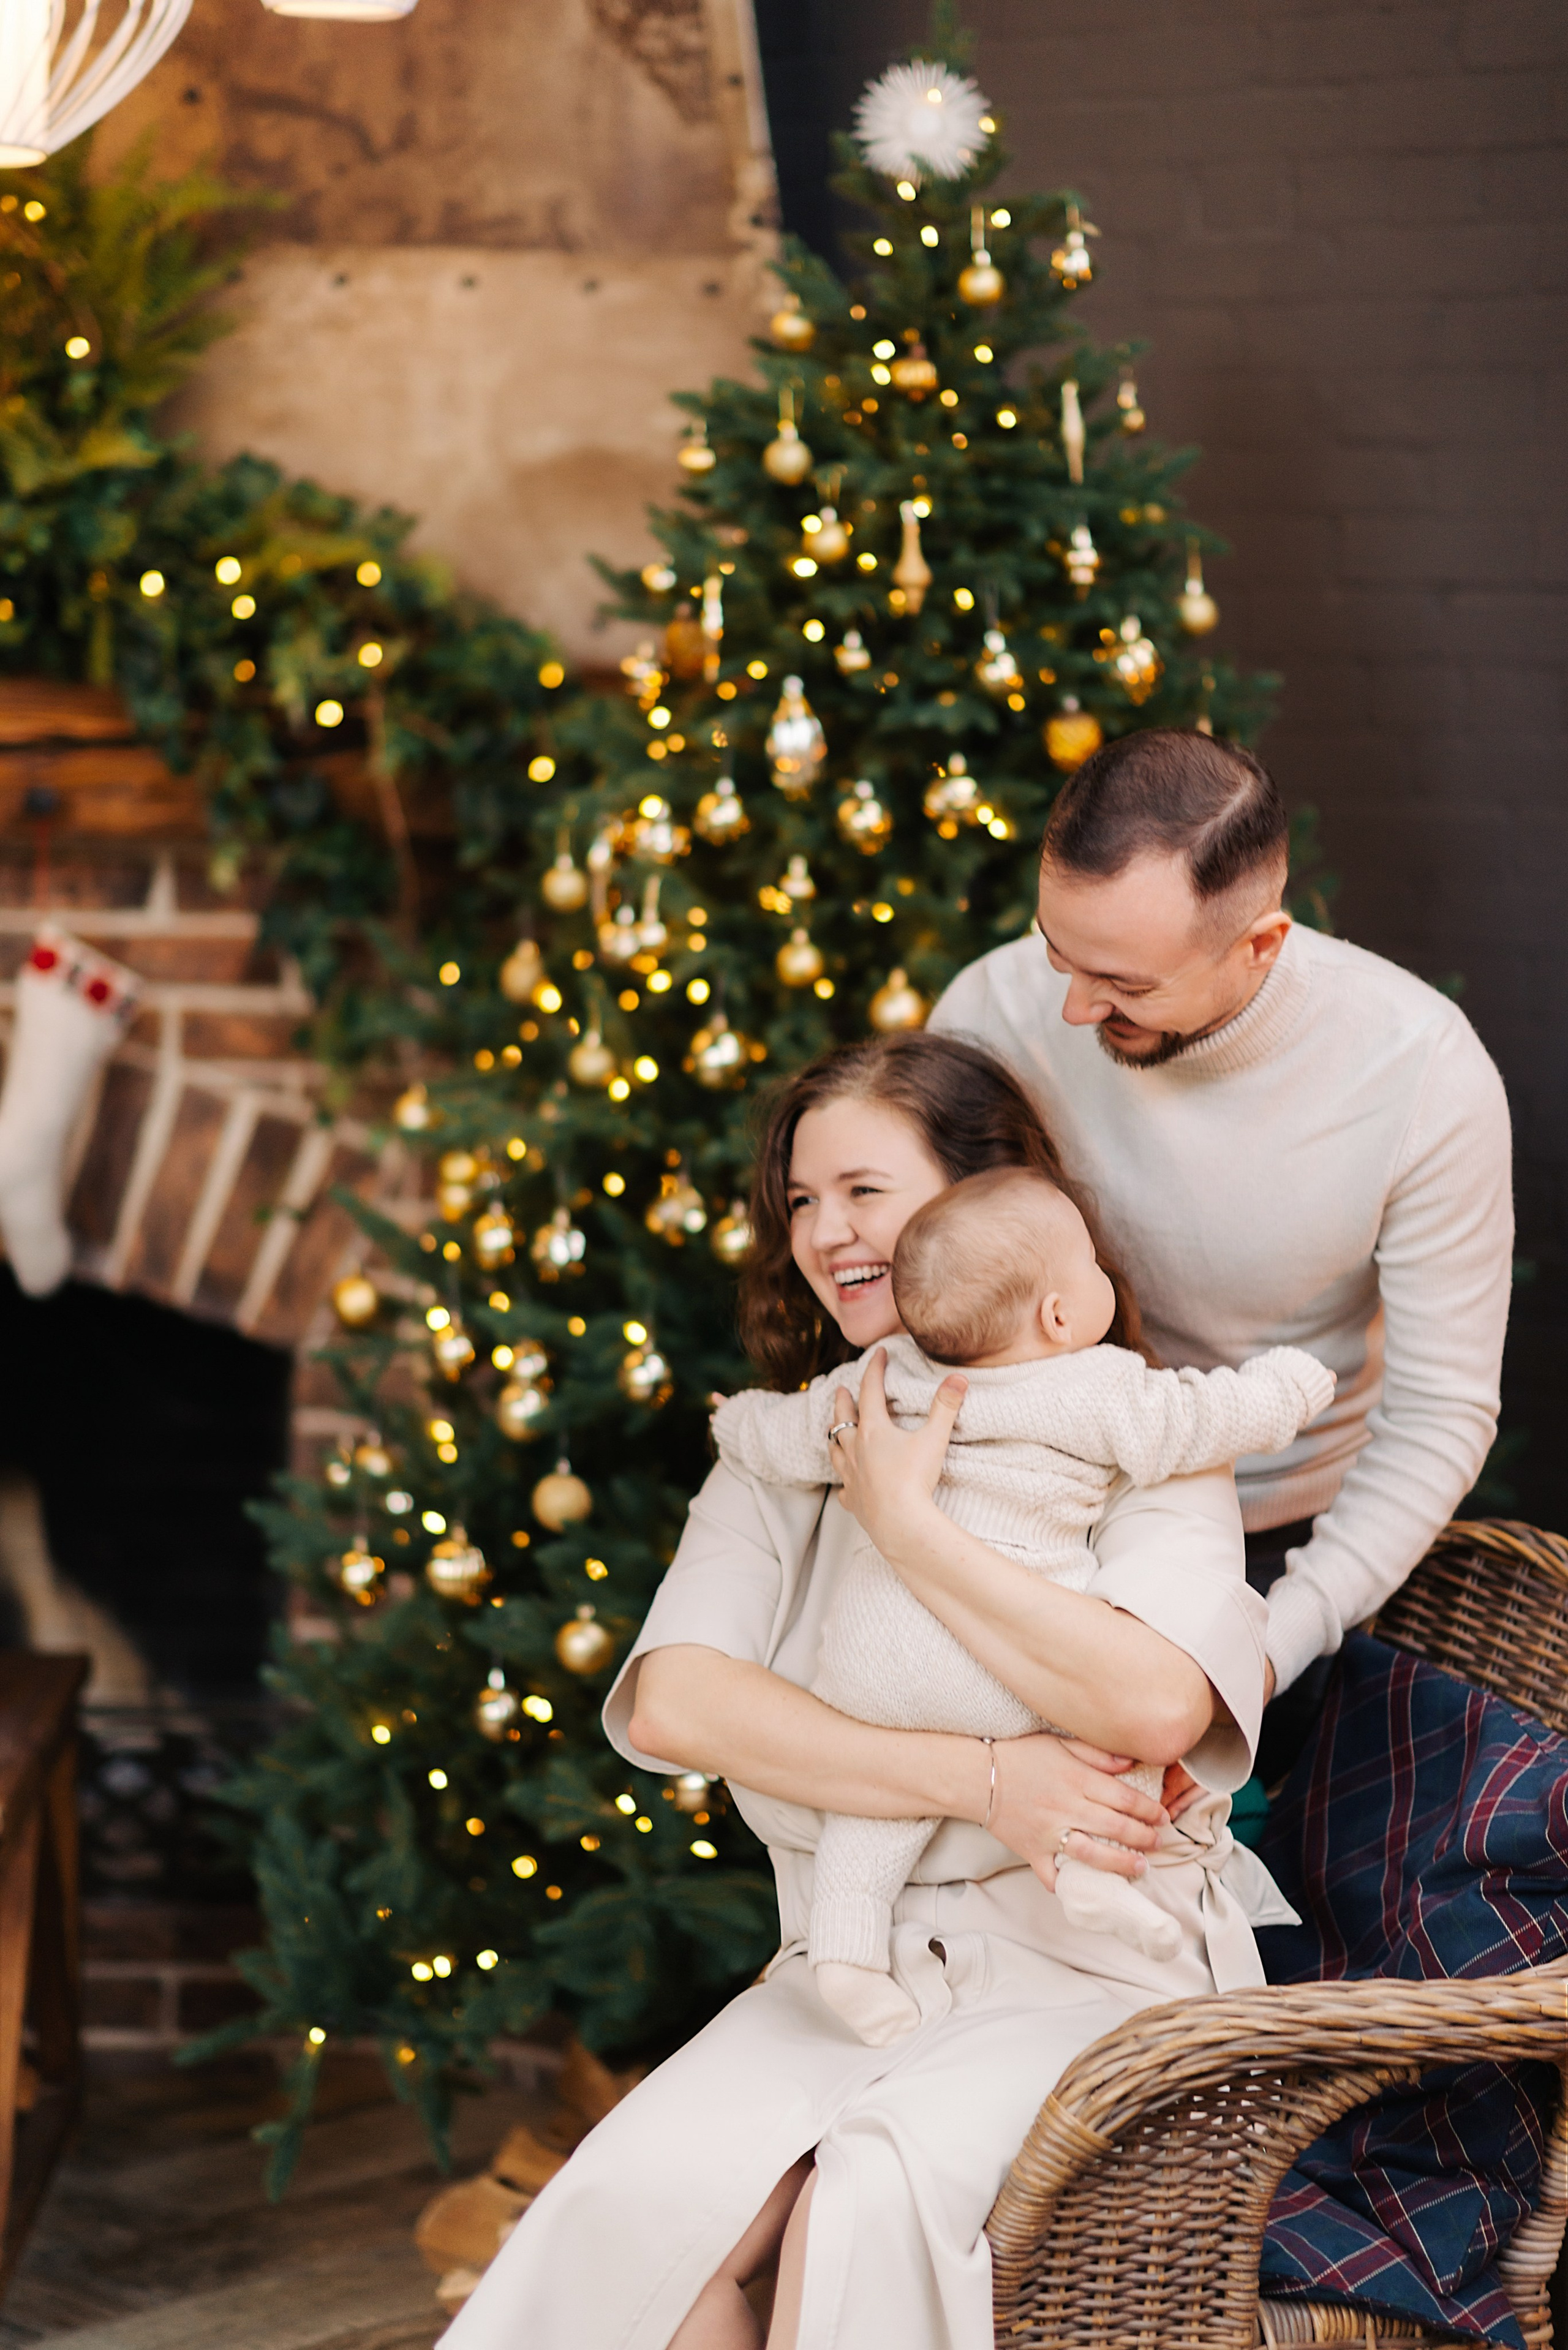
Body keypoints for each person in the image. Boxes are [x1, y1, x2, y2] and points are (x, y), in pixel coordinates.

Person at [441, 1032, 1283, 2350]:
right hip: (846, 1957)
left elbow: (1154, 1705)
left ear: (979, 1193)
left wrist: (908, 1531)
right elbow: (677, 1705)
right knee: (631, 2220)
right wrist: (987, 1781)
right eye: (799, 1200)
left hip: (1090, 1970)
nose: (824, 1231)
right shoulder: (790, 1443)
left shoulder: (1130, 1420)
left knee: (863, 2201)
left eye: (861, 1189)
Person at [932, 730, 1513, 1777]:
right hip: (1038, 1510)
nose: (1071, 1008)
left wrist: (1271, 1642)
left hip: (1290, 1540)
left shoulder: (1423, 1072)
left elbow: (1440, 1415)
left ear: (1261, 943)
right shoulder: (992, 1008)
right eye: (1056, 952)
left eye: (1122, 983)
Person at [711, 1164, 1332, 2038]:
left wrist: (731, 1420)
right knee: (1106, 1708)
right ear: (1059, 1314)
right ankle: (1090, 1874)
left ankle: (846, 1954)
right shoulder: (1100, 1386)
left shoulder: (882, 1376)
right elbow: (1204, 1419)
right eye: (1089, 1265)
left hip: (870, 1664)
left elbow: (783, 1432)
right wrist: (1297, 1385)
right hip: (1000, 1674)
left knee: (873, 1805)